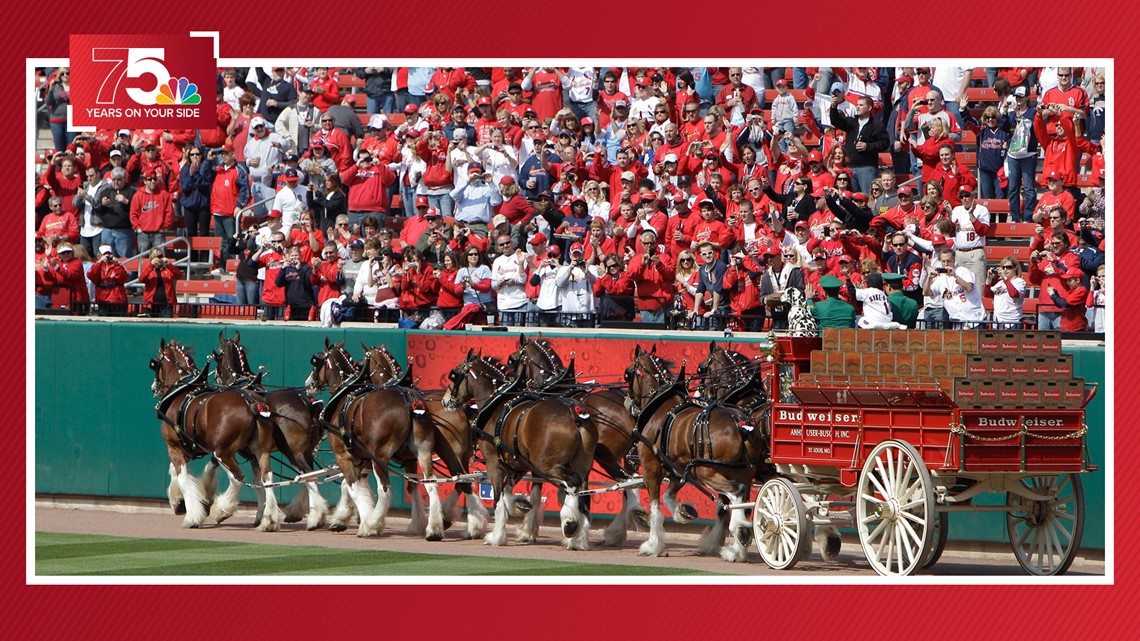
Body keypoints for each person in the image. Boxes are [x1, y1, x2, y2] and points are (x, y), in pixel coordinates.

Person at [829, 95, 889, 193]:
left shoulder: (877, 125)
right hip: (850, 167)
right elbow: (835, 121)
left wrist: (867, 146)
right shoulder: (851, 122)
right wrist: (834, 106)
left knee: (867, 196)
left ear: (869, 108)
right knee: (850, 197)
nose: (857, 107)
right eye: (857, 105)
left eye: (861, 105)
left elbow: (884, 144)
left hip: (867, 168)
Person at [923, 245, 985, 328]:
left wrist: (955, 275)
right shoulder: (941, 279)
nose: (946, 264)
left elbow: (969, 288)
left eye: (948, 261)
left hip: (974, 319)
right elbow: (926, 293)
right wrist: (929, 278)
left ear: (954, 259)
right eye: (943, 261)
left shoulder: (963, 271)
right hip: (957, 321)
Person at [627, 229, 676, 325]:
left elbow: (671, 275)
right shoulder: (636, 259)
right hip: (646, 304)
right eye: (646, 243)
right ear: (641, 243)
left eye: (652, 243)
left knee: (663, 334)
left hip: (664, 303)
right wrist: (642, 265)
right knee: (649, 333)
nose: (649, 246)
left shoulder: (664, 257)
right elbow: (632, 276)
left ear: (655, 243)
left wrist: (659, 265)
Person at [951, 186, 990, 290]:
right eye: (962, 196)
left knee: (978, 287)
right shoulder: (957, 210)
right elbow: (950, 228)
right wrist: (949, 213)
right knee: (959, 287)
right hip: (959, 253)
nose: (964, 198)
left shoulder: (982, 210)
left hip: (975, 252)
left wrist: (971, 215)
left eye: (967, 195)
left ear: (973, 195)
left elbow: (983, 232)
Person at [760, 247, 806, 330]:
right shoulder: (766, 276)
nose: (769, 260)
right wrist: (766, 299)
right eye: (768, 257)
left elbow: (801, 291)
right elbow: (762, 296)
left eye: (772, 257)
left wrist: (786, 297)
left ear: (779, 256)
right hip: (776, 315)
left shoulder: (794, 271)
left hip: (792, 313)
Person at [130, 172, 174, 255]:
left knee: (160, 258)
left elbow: (169, 212)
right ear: (144, 181)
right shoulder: (138, 195)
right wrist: (138, 228)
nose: (153, 181)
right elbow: (133, 214)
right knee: (142, 259)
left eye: (155, 179)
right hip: (143, 233)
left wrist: (164, 227)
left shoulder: (164, 194)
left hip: (159, 233)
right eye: (150, 179)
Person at [491, 234, 531, 326]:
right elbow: (493, 285)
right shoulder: (497, 261)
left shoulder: (522, 256)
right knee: (507, 336)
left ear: (512, 242)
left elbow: (524, 279)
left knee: (520, 333)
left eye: (507, 243)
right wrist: (499, 283)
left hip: (520, 302)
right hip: (504, 304)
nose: (505, 246)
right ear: (498, 247)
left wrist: (514, 281)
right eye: (502, 244)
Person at [555, 242, 597, 326]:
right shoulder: (563, 269)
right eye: (575, 255)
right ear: (570, 255)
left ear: (583, 254)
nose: (577, 258)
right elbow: (560, 284)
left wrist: (587, 272)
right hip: (569, 314)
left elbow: (594, 283)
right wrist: (570, 269)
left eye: (579, 255)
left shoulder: (591, 268)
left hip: (587, 313)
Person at [984, 258, 1028, 329]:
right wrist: (988, 280)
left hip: (1012, 321)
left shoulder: (1019, 281)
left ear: (1015, 267)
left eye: (1009, 267)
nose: (1005, 269)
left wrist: (1005, 278)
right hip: (998, 321)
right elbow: (987, 294)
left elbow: (1014, 294)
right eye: (1003, 267)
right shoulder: (1000, 283)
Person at [275, 246, 316, 321]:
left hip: (305, 304)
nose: (294, 257)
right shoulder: (287, 268)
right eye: (292, 255)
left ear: (300, 256)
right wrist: (283, 269)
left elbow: (307, 283)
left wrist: (299, 269)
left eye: (296, 255)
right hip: (291, 305)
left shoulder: (306, 268)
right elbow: (278, 283)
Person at [138, 247, 181, 318]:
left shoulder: (168, 270)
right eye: (156, 257)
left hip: (166, 306)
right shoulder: (149, 270)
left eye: (160, 256)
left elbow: (178, 275)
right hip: (150, 305)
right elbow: (141, 279)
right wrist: (151, 265)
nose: (158, 259)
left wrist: (169, 264)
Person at [1048, 268, 1089, 332]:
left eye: (1069, 280)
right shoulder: (1071, 291)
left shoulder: (1081, 291)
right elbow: (1061, 304)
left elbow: (1065, 304)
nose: (1067, 282)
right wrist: (1056, 294)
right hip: (1067, 326)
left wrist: (1053, 295)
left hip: (1076, 327)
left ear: (1077, 280)